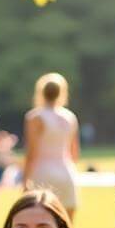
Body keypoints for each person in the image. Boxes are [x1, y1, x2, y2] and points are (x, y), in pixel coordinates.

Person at [23, 73, 80, 217]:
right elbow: (74, 153)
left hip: (42, 173)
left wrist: (25, 180)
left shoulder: (35, 117)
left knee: (41, 220)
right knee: (68, 224)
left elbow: (32, 153)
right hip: (66, 171)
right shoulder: (69, 117)